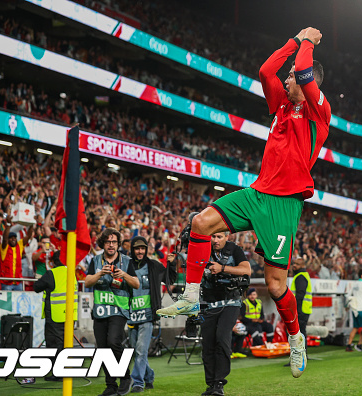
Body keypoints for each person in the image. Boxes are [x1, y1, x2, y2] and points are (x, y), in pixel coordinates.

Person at [156, 26, 331, 378]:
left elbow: (307, 70)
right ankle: (191, 294)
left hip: (285, 204)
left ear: (307, 81)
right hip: (257, 193)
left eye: (292, 76)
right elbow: (266, 71)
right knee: (200, 223)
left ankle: (296, 338)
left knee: (276, 285)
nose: (287, 78)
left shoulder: (318, 110)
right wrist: (294, 41)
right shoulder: (280, 106)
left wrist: (308, 43)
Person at [84, 228, 140, 396]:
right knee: (102, 348)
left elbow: (136, 284)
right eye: (108, 242)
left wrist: (123, 275)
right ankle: (110, 385)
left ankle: (125, 377)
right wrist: (100, 273)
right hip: (100, 310)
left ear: (118, 244)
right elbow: (87, 282)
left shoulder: (126, 261)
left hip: (119, 309)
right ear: (103, 243)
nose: (111, 245)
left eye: (114, 242)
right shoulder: (95, 261)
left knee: (113, 341)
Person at [200, 231, 251, 396]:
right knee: (207, 344)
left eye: (219, 237)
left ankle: (220, 383)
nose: (215, 240)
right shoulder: (203, 249)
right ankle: (211, 384)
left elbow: (246, 270)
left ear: (227, 237)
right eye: (213, 237)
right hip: (208, 303)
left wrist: (222, 268)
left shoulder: (234, 249)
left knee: (222, 337)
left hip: (231, 302)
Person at [128, 236, 176, 393]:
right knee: (136, 351)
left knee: (141, 350)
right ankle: (149, 376)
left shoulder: (154, 266)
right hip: (131, 315)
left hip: (148, 316)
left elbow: (170, 279)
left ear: (147, 249)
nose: (140, 251)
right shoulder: (126, 265)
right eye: (137, 248)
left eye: (142, 248)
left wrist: (171, 264)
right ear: (132, 250)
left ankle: (137, 383)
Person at [33, 251, 78, 381]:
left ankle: (58, 373)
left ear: (53, 262)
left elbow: (36, 287)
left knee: (54, 344)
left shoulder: (52, 273)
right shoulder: (71, 273)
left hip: (55, 314)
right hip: (70, 314)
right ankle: (66, 370)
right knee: (66, 343)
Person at [0, 216, 34, 291]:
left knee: (19, 302)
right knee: (7, 303)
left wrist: (32, 223)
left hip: (18, 283)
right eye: (11, 238)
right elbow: (5, 239)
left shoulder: (19, 245)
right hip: (6, 283)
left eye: (14, 237)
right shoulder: (4, 248)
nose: (13, 239)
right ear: (8, 240)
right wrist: (8, 224)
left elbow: (28, 236)